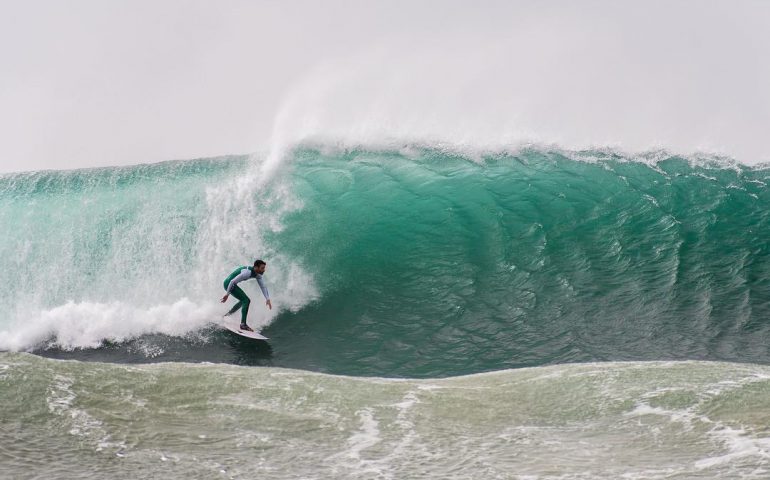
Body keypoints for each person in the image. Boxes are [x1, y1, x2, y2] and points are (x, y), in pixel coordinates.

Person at [221, 260, 272, 331]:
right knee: (246, 300)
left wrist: (267, 299)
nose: (264, 270)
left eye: (264, 268)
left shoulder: (257, 275)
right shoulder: (247, 273)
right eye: (262, 268)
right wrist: (227, 294)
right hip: (228, 284)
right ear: (256, 267)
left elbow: (263, 287)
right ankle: (243, 324)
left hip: (232, 284)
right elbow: (232, 281)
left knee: (243, 301)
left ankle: (227, 315)